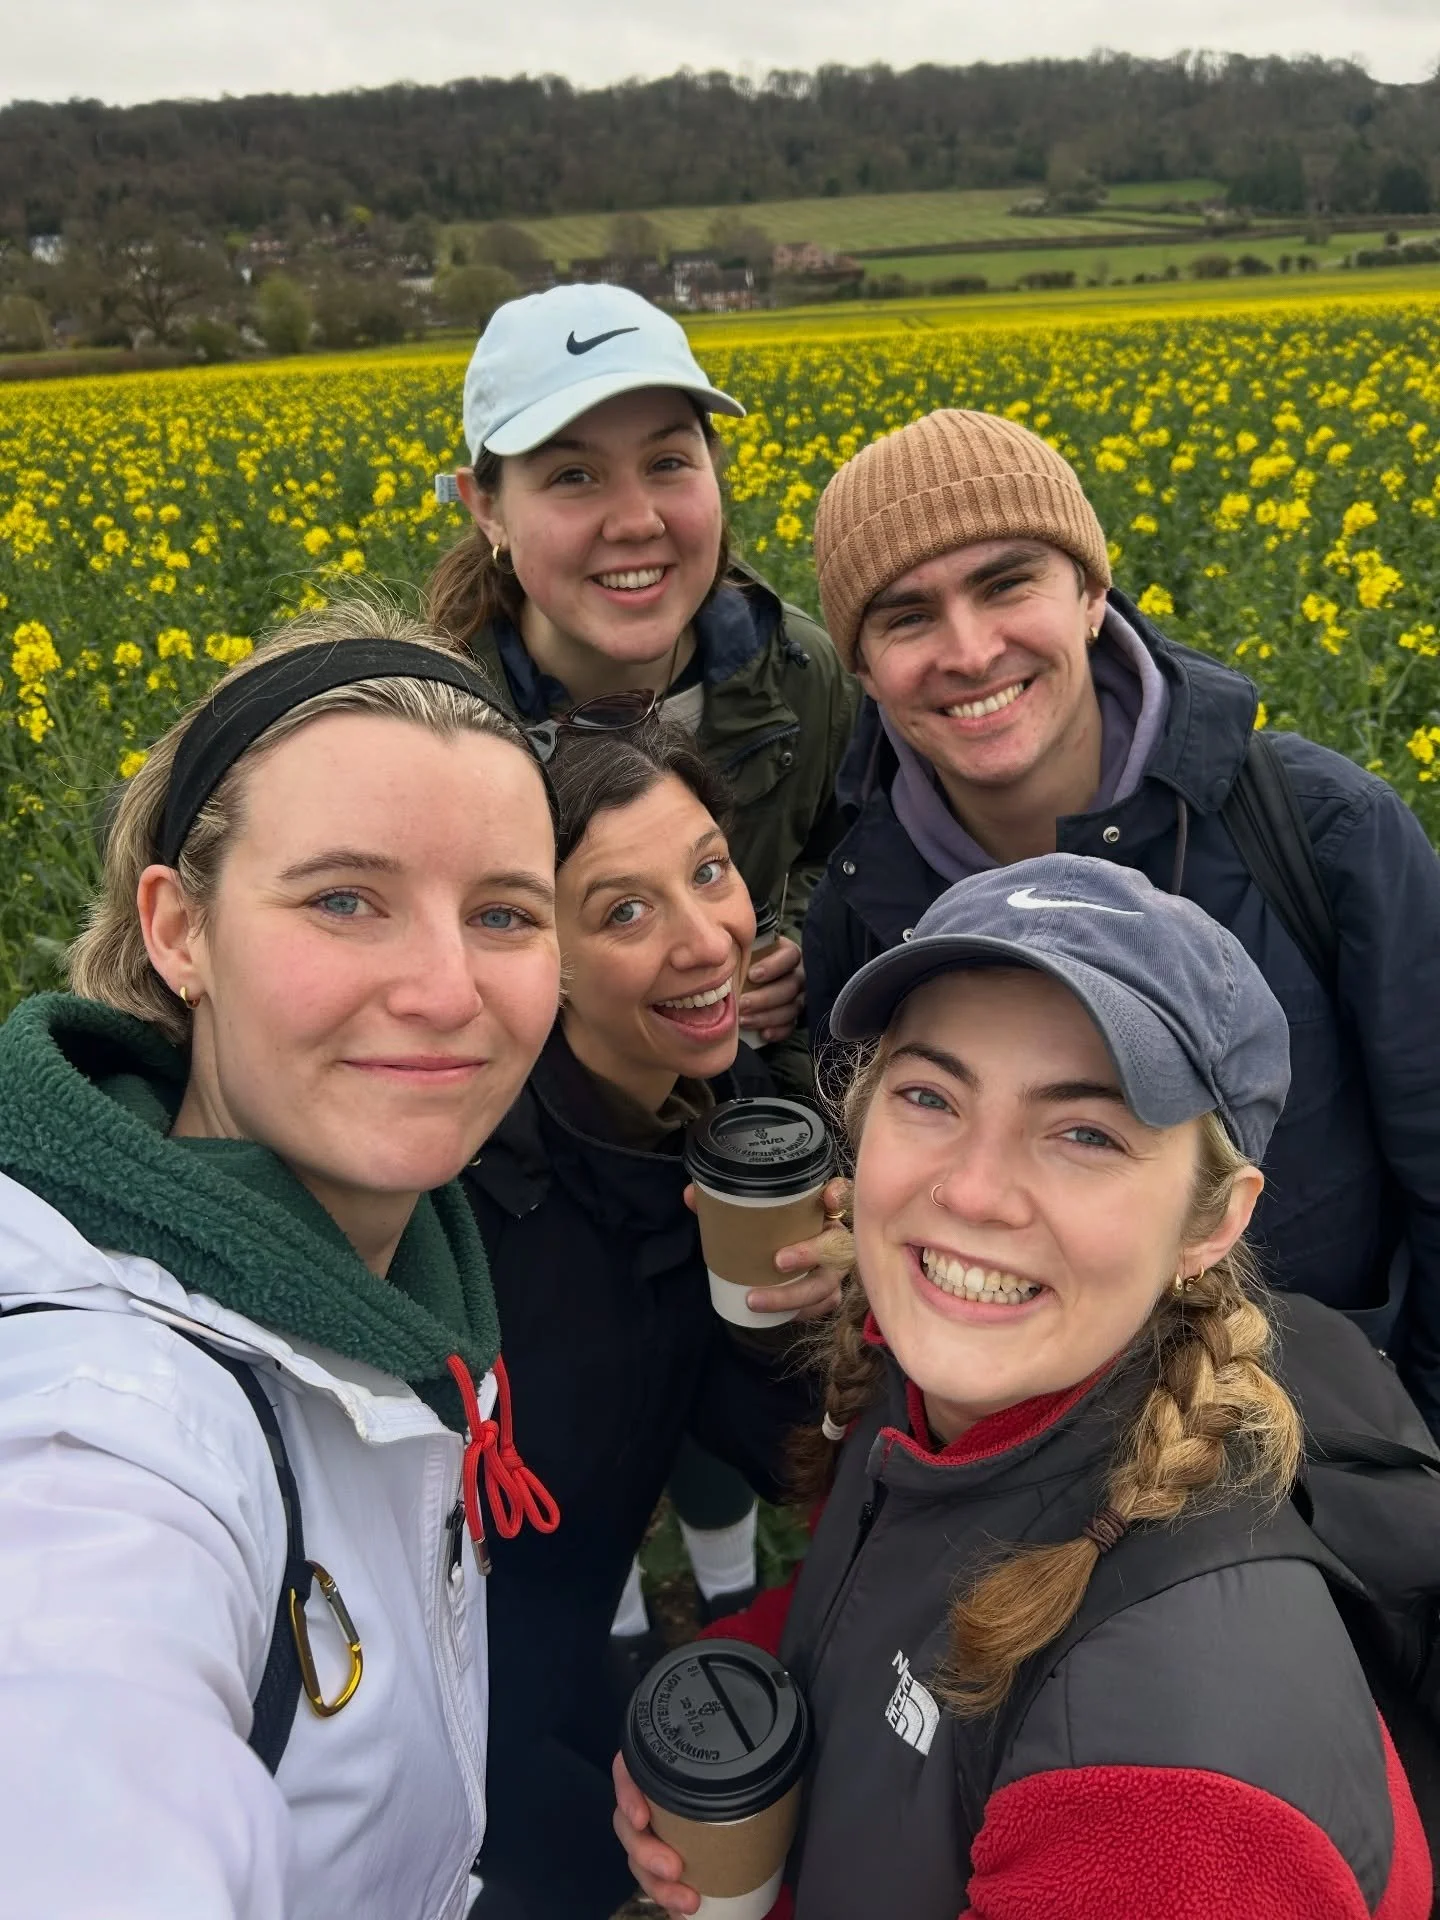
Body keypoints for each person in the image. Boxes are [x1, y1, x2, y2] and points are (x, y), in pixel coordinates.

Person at [615, 854, 1433, 1920]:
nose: (972, 1189)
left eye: (1085, 1132)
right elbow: (884, 1597)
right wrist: (740, 1684)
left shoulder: (1175, 1809)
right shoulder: (950, 1394)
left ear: (1214, 1221)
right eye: (929, 1095)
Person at [0, 604, 563, 1918]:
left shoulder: (406, 1286)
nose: (443, 987)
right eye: (345, 900)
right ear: (178, 930)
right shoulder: (104, 1428)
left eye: (503, 913)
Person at [800, 408, 1440, 1425]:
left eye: (1007, 584)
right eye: (906, 616)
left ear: (1095, 595)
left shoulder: (1323, 835)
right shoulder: (859, 904)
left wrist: (1409, 1468)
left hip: (1315, 1457)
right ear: (865, 672)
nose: (969, 650)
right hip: (1018, 1489)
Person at [465, 720, 850, 1920]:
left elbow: (756, 1431)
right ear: (545, 953)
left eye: (709, 870)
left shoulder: (723, 1118)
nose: (707, 939)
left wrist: (821, 1331)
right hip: (462, 1697)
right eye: (623, 911)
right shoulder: (464, 1192)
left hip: (575, 1644)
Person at [427, 280, 858, 1059]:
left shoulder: (798, 674)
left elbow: (839, 849)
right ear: (484, 506)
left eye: (666, 462)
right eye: (573, 477)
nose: (636, 521)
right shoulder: (434, 728)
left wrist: (792, 934)